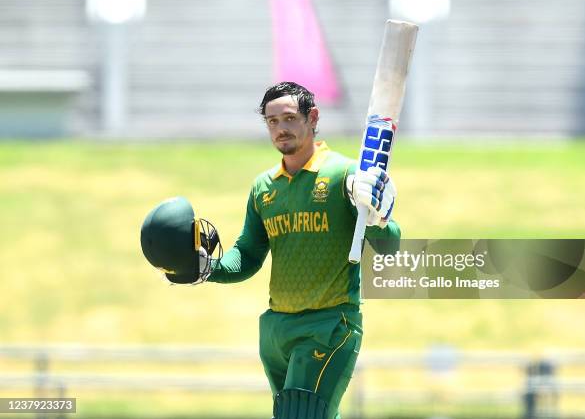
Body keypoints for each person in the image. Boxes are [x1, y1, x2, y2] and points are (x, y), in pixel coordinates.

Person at [141, 81, 400, 419]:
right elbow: (247, 254)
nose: (281, 129)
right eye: (272, 122)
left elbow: (389, 249)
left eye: (290, 118)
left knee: (302, 414)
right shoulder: (264, 188)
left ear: (312, 117)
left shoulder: (346, 175)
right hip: (277, 330)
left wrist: (381, 218)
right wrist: (208, 268)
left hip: (329, 324)